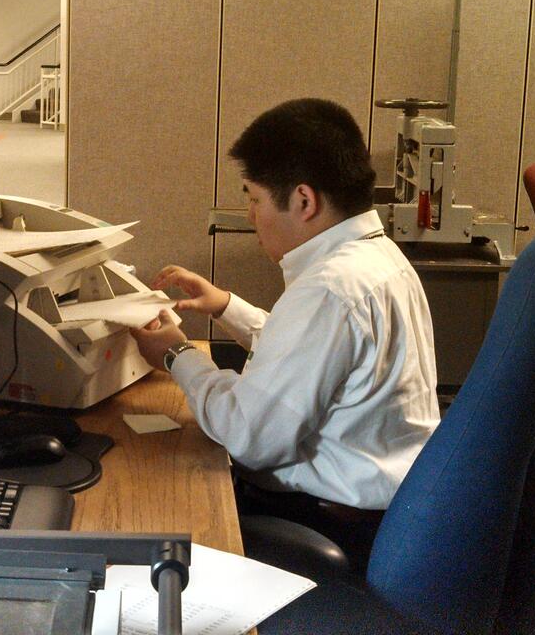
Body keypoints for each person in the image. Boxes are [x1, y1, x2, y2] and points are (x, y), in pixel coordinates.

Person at [130, 97, 439, 564]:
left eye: (254, 198)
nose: (252, 216)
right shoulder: (378, 262)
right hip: (389, 512)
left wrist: (178, 355)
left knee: (149, 508)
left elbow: (248, 434)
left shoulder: (331, 288)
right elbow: (315, 358)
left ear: (303, 200)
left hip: (326, 523)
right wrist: (227, 307)